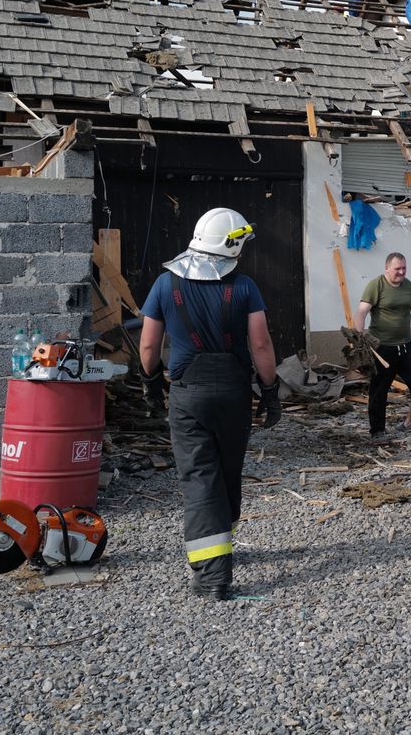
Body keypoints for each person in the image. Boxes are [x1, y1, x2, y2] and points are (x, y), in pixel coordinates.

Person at [139, 207, 280, 602]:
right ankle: (222, 548)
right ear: (231, 245)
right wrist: (269, 391)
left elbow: (150, 344)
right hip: (235, 391)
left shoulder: (166, 285)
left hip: (188, 394)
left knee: (201, 476)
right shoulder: (246, 286)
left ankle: (213, 573)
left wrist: (150, 382)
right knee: (228, 466)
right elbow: (261, 344)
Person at [354, 252, 411, 446]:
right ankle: (377, 431)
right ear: (387, 268)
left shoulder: (408, 285)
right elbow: (362, 312)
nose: (401, 272)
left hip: (407, 345)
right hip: (383, 348)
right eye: (397, 269)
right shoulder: (376, 285)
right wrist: (358, 338)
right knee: (379, 389)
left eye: (404, 268)